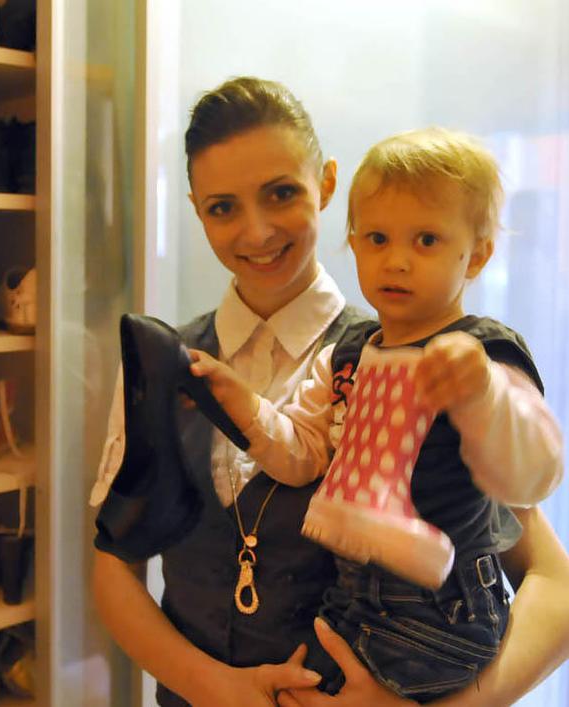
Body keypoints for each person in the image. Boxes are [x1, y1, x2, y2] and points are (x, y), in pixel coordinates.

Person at [89, 76, 569, 707]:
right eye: (223, 207)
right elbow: (114, 568)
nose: (257, 232)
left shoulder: (415, 355)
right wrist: (221, 691)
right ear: (196, 210)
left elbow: (556, 586)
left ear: (326, 184)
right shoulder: (164, 360)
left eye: (281, 193)